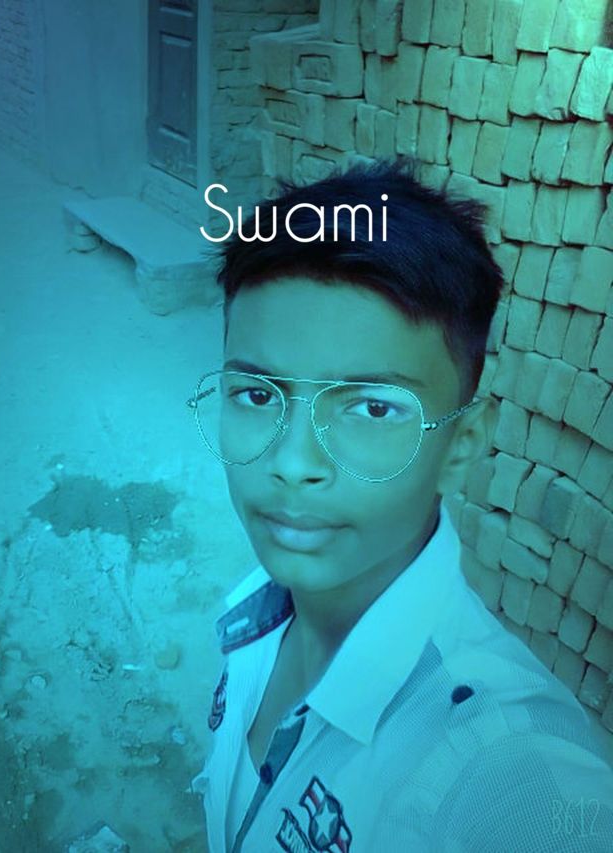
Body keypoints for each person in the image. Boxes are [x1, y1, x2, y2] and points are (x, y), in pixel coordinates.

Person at [188, 159, 613, 852]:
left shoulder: (510, 772)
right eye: (258, 395)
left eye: (373, 408)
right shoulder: (259, 612)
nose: (292, 463)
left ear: (461, 443)